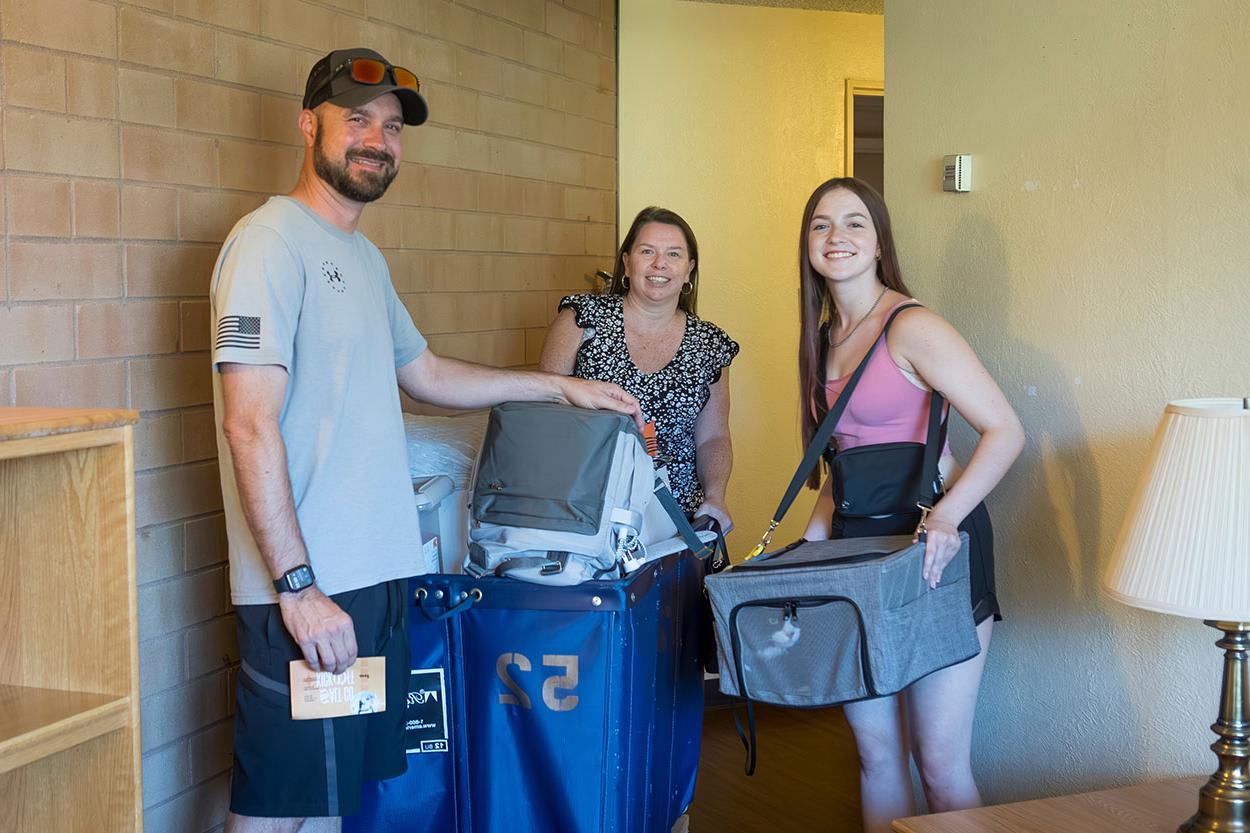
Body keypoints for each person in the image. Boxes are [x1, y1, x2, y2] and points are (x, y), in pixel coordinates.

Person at [211, 47, 642, 833]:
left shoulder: (363, 258)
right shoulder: (268, 243)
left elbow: (430, 372)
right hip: (312, 591)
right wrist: (300, 588)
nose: (378, 139)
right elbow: (248, 421)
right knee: (277, 810)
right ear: (309, 125)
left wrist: (560, 386)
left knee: (331, 799)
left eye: (391, 128)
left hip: (373, 585)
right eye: (357, 120)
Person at [796, 177, 1024, 833]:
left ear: (878, 241)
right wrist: (806, 559)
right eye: (820, 225)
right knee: (874, 754)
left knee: (940, 764)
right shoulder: (823, 339)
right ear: (807, 243)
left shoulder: (913, 325)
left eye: (854, 223)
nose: (836, 236)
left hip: (933, 558)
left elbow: (1006, 430)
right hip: (857, 558)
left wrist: (948, 516)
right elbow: (840, 468)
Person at [540, 206, 739, 531]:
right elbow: (544, 410)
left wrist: (715, 496)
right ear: (627, 263)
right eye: (647, 251)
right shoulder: (582, 318)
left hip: (677, 518)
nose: (660, 263)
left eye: (673, 254)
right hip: (585, 509)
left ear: (689, 270)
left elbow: (713, 437)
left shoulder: (710, 344)